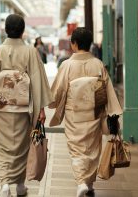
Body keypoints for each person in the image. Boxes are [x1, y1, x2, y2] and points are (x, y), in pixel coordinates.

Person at [0, 14, 53, 197]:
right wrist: (40, 108)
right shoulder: (31, 51)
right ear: (23, 31)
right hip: (23, 110)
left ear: (6, 30)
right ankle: (20, 186)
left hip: (1, 110)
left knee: (2, 147)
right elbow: (38, 82)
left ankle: (5, 184)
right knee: (22, 146)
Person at [49, 27, 122, 197]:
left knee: (76, 149)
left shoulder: (66, 65)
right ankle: (88, 184)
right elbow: (108, 90)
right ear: (90, 45)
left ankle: (82, 182)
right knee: (92, 149)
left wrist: (51, 102)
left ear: (73, 44)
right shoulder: (98, 64)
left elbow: (58, 91)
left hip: (74, 115)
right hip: (94, 113)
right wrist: (112, 112)